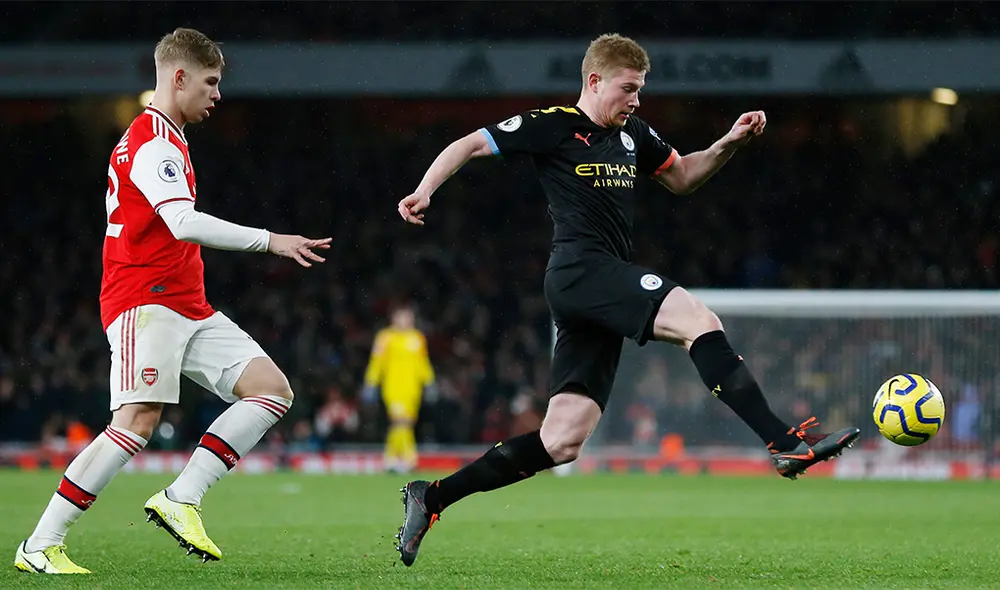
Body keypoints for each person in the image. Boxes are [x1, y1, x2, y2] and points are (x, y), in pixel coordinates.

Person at [393, 33, 860, 567]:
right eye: (629, 88)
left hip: (592, 286)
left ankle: (432, 497)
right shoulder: (553, 124)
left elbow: (682, 176)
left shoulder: (634, 133)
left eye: (640, 89)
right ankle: (782, 441)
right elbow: (470, 144)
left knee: (562, 440)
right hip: (581, 270)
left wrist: (729, 142)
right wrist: (425, 189)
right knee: (697, 319)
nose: (637, 100)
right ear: (595, 81)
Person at [14, 28, 331, 574]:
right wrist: (270, 240)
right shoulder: (152, 141)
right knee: (136, 422)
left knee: (271, 391)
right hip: (145, 300)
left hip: (188, 303)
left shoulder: (169, 139)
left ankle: (181, 498)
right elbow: (181, 222)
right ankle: (40, 544)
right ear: (179, 77)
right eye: (210, 82)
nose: (217, 94)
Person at [361, 303, 436, 473]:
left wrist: (430, 381)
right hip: (393, 386)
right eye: (403, 317)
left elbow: (422, 363)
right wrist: (370, 382)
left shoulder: (417, 338)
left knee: (405, 423)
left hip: (413, 388)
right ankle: (408, 459)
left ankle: (391, 458)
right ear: (394, 318)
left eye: (409, 317)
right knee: (400, 421)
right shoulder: (385, 337)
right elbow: (377, 362)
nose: (406, 320)